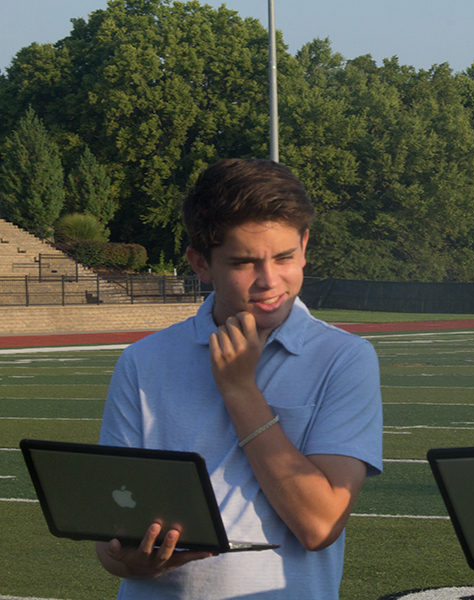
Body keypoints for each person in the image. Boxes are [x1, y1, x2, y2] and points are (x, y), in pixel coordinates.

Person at [95, 158, 383, 599]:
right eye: (244, 262)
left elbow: (319, 524)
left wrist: (240, 389)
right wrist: (133, 560)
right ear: (201, 264)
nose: (270, 281)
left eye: (285, 257)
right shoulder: (142, 361)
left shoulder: (344, 358)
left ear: (305, 246)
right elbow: (109, 538)